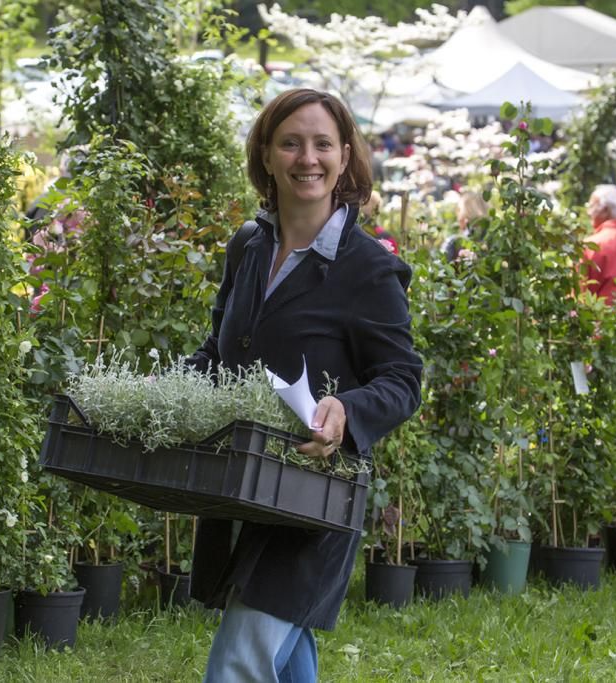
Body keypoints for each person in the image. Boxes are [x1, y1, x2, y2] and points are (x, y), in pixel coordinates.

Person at [186, 88, 422, 683]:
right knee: (286, 655)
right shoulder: (248, 247)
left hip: (313, 495)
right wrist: (152, 397)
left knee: (240, 660)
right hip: (242, 482)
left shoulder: (367, 267)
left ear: (345, 157)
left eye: (322, 144)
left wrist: (345, 409)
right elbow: (219, 353)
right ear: (266, 156)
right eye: (290, 143)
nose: (306, 158)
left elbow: (402, 379)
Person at [442, 191, 488, 262]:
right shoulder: (497, 239)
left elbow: (439, 268)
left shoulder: (453, 243)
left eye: (459, 210)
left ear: (465, 215)